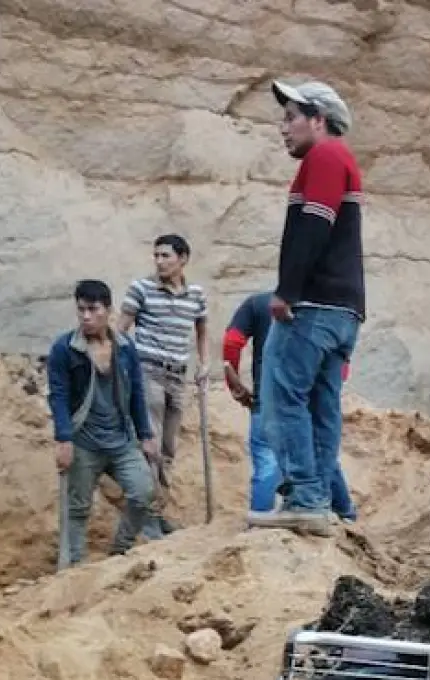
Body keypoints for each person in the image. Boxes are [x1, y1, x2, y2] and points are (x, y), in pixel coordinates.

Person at [248, 79, 363, 535]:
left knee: (282, 395)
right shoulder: (338, 159)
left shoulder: (325, 156)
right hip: (343, 308)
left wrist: (287, 292)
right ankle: (318, 501)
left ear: (318, 119)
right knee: (322, 403)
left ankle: (306, 497)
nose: (283, 128)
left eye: (291, 116)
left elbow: (315, 225)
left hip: (315, 305)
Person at [47, 280, 158, 564]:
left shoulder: (124, 347)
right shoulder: (64, 349)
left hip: (121, 440)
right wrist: (64, 439)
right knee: (78, 508)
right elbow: (58, 395)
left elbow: (136, 392)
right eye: (81, 309)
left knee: (143, 492)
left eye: (92, 309)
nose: (86, 316)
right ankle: (73, 567)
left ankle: (119, 551)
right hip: (84, 441)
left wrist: (145, 434)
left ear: (107, 310)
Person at [223, 292, 357, 520]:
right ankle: (345, 513)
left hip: (270, 400)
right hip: (311, 404)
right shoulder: (320, 311)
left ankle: (261, 523)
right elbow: (341, 368)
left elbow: (232, 341)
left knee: (266, 462)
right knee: (322, 456)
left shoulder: (257, 304)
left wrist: (234, 384)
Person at [117, 234, 210, 539]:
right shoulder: (141, 289)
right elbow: (121, 330)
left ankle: (155, 512)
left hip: (178, 376)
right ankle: (146, 519)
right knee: (151, 444)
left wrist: (204, 362)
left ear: (183, 259)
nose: (159, 261)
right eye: (156, 255)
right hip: (148, 372)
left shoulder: (195, 294)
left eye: (165, 256)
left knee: (168, 448)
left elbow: (202, 328)